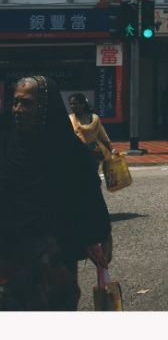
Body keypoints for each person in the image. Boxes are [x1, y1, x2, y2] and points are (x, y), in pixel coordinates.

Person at [0, 75, 112, 311]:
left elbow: (88, 196)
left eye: (27, 103)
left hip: (54, 258)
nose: (18, 110)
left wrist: (100, 235)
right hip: (10, 258)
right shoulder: (7, 144)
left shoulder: (69, 151)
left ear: (45, 107)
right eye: (15, 102)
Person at [68, 93, 114, 168]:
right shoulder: (70, 119)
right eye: (71, 104)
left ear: (83, 104)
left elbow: (103, 136)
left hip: (94, 153)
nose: (72, 106)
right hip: (77, 153)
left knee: (92, 176)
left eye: (75, 104)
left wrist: (110, 151)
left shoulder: (94, 118)